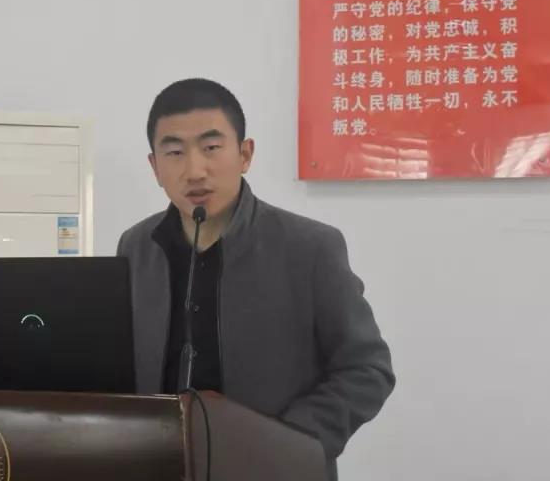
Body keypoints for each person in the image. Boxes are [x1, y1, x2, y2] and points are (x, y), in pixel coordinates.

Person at [117, 78, 395, 479]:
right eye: (174, 152)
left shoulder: (310, 247)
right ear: (155, 167)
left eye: (211, 148)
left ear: (245, 154)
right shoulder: (135, 246)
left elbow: (366, 369)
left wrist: (287, 442)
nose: (194, 170)